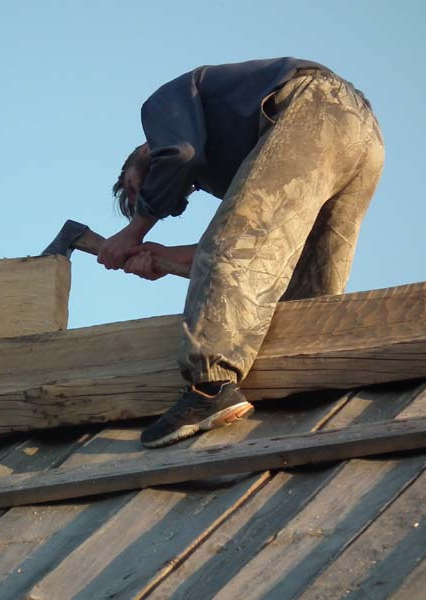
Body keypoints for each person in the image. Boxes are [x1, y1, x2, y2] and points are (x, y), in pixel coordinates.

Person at [98, 58, 384, 448]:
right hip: (363, 136)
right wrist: (163, 259)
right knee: (307, 273)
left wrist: (134, 231)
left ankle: (210, 389)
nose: (156, 201)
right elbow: (255, 250)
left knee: (235, 244)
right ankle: (311, 381)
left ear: (146, 150)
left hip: (312, 105)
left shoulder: (161, 108)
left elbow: (179, 154)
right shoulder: (243, 154)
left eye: (137, 189)